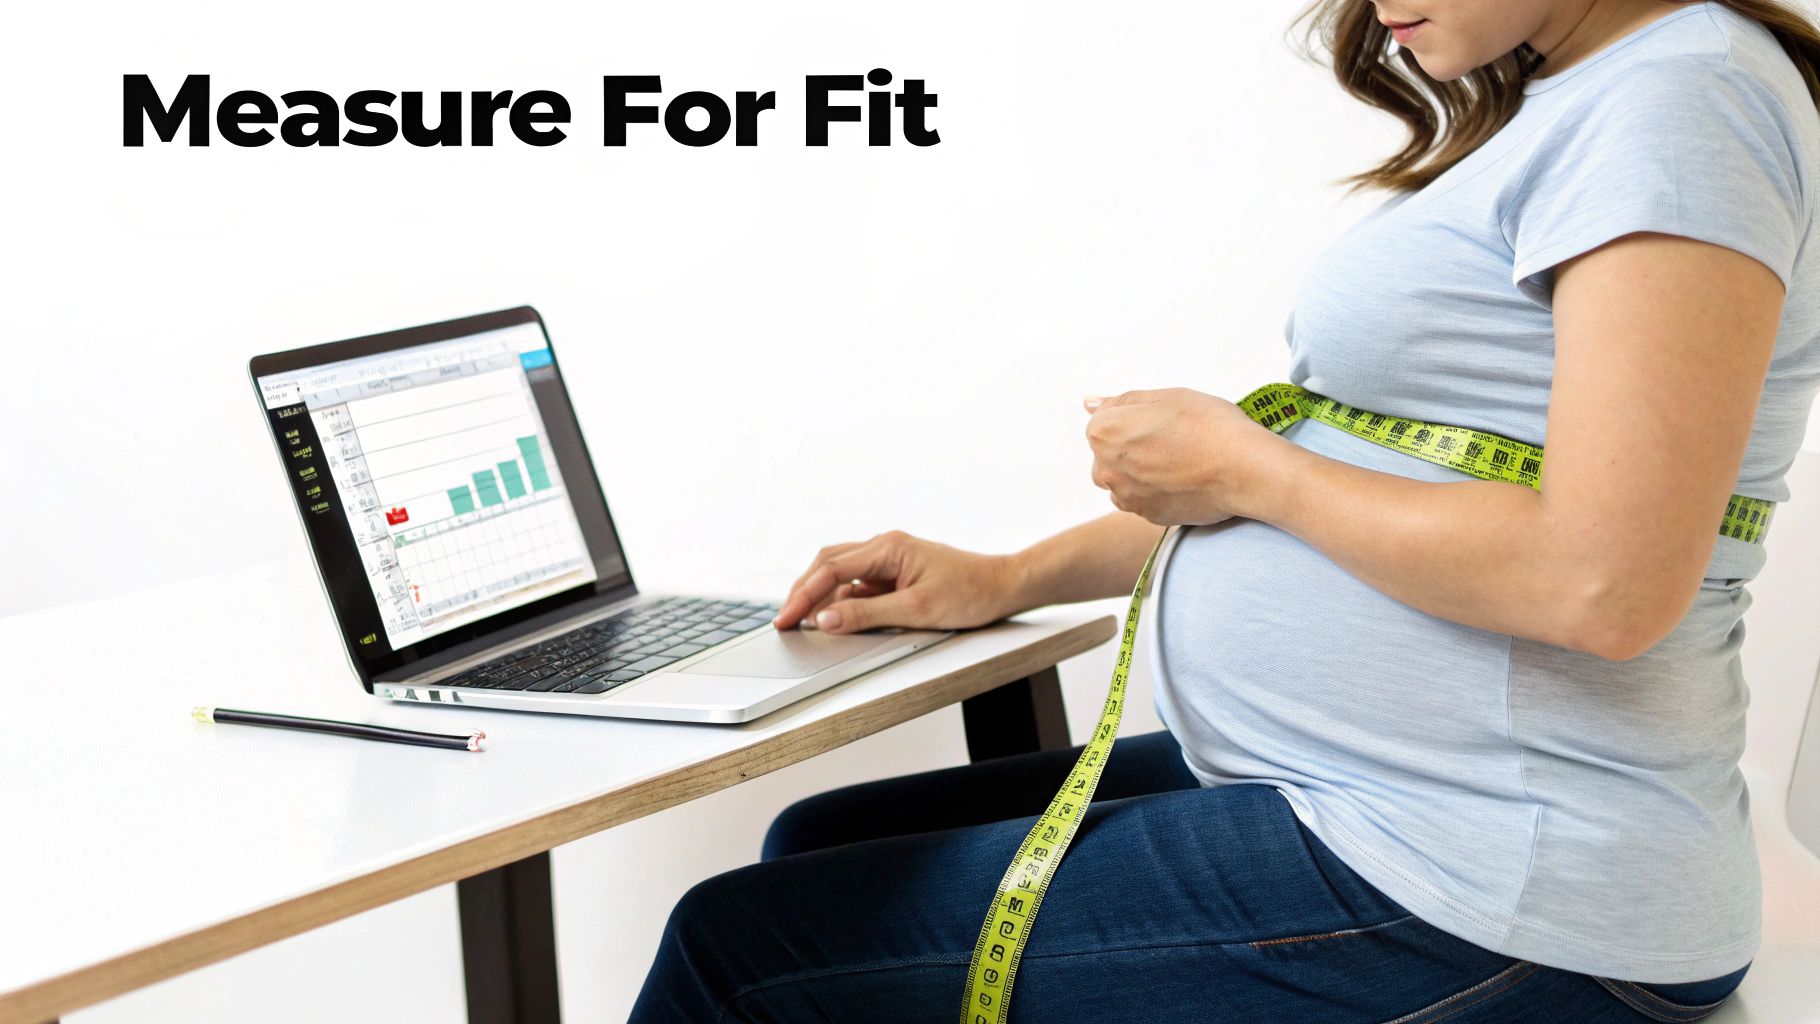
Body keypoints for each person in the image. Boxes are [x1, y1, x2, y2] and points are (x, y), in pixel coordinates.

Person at [631, 1, 1820, 1020]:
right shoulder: (1589, 94)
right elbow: (1378, 485)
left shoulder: (1681, 101)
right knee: (826, 846)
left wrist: (1252, 465)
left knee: (737, 951)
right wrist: (1005, 576)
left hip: (1502, 881)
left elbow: (1599, 584)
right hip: (1393, 798)